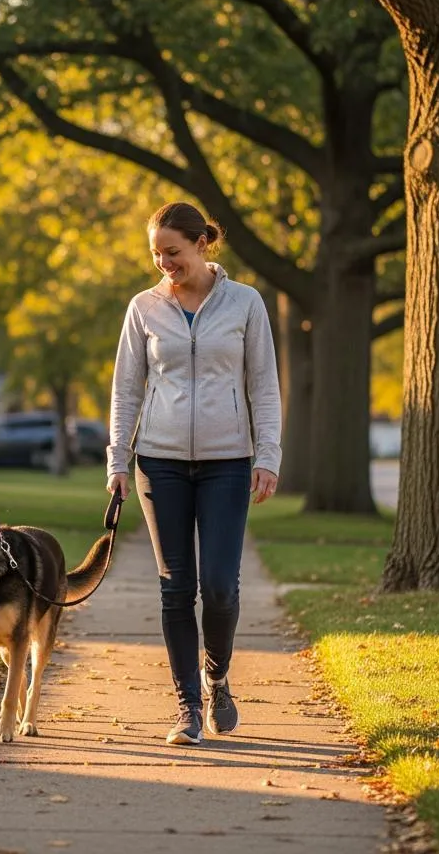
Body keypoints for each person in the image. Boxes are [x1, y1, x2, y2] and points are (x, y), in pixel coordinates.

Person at [106, 201, 282, 745]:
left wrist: (267, 455)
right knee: (175, 587)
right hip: (158, 463)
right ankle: (186, 707)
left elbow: (263, 385)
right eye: (156, 253)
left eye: (173, 252)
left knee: (221, 588)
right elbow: (127, 389)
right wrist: (118, 459)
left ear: (201, 243)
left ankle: (218, 676)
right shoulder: (143, 307)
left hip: (228, 461)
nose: (164, 263)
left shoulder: (246, 303)